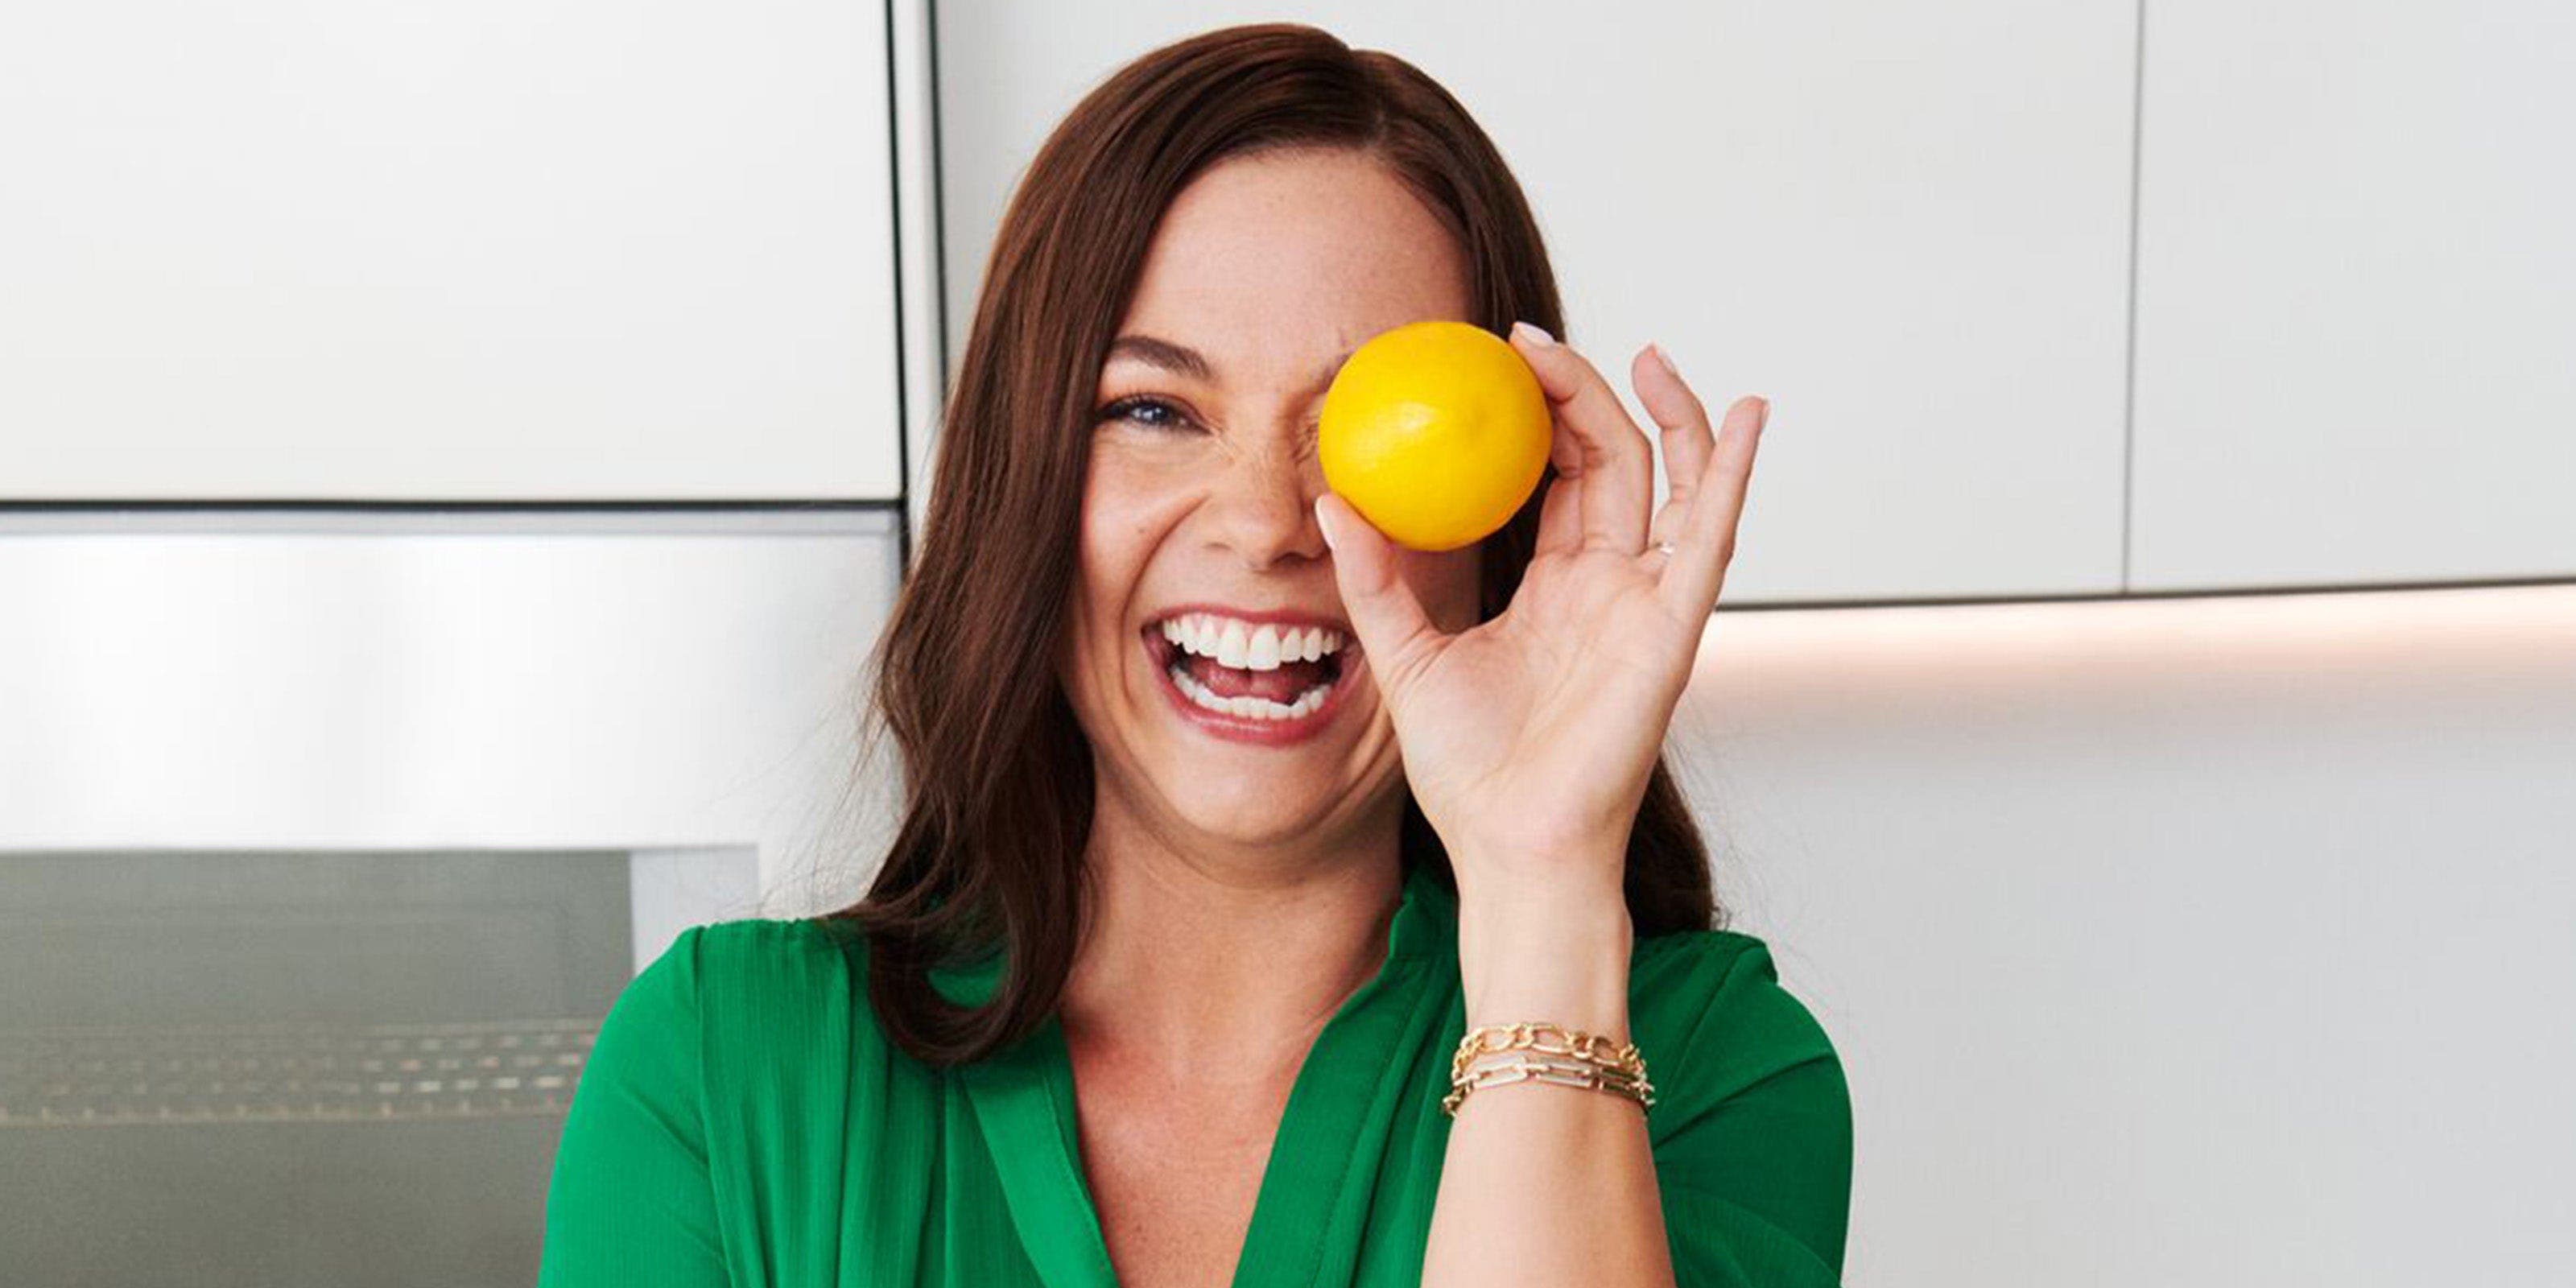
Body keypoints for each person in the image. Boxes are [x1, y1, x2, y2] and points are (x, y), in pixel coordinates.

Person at [537, 21, 1850, 1288]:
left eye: (1362, 435)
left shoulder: (1708, 1067)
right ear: (1026, 487)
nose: (1269, 525)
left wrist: (1544, 876)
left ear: (1510, 517)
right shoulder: (722, 1073)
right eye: (1155, 408)